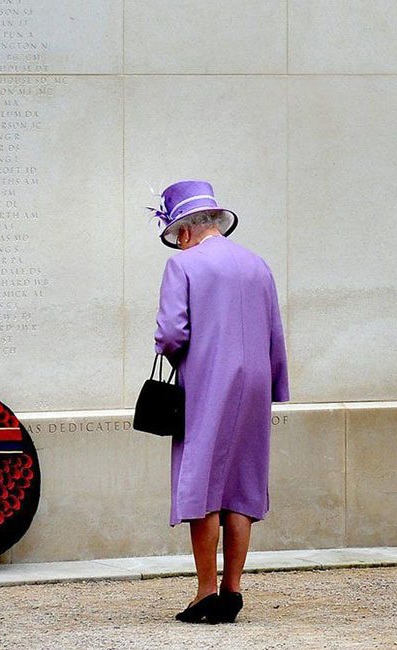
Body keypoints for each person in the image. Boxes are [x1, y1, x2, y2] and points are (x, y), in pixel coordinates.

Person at [150, 179, 290, 624]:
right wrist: (275, 384)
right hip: (254, 384)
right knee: (242, 482)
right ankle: (233, 589)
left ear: (185, 230)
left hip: (208, 381)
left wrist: (168, 350)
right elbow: (274, 332)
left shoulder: (183, 265)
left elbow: (171, 334)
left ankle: (206, 591)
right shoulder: (257, 264)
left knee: (202, 482)